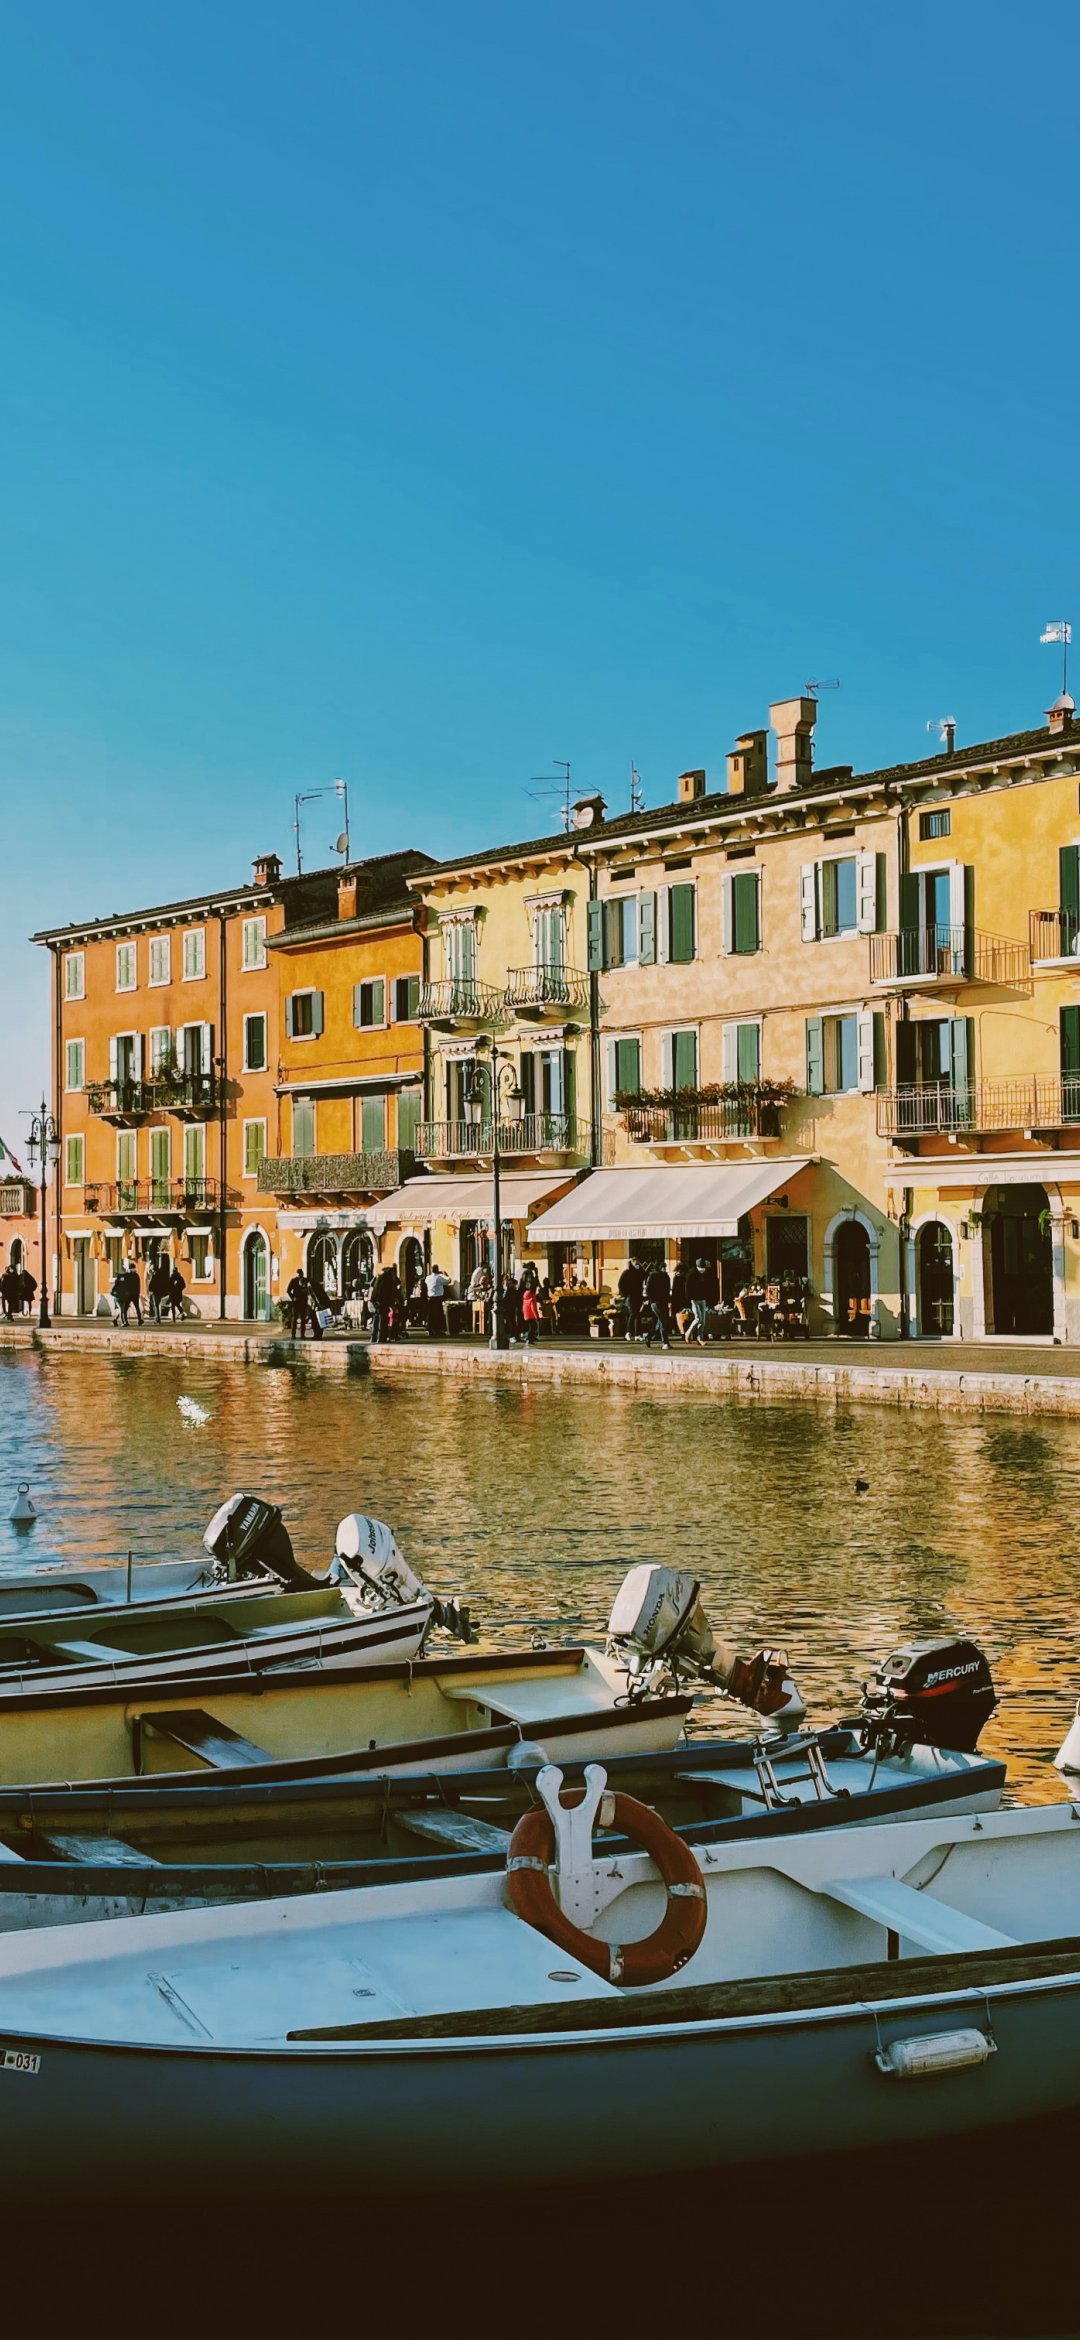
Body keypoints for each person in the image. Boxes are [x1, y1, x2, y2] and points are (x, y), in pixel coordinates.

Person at [686, 1256, 718, 1344]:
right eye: (701, 1269)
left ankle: (700, 1338)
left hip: (703, 1298)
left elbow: (708, 1285)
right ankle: (688, 1333)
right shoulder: (691, 1273)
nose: (702, 1270)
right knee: (698, 1318)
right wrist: (689, 1299)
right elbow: (687, 1287)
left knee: (703, 1320)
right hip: (694, 1299)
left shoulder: (705, 1273)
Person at [642, 1262, 672, 1350]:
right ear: (659, 1267)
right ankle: (665, 1342)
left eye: (665, 1267)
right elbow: (649, 1290)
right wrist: (651, 1300)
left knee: (661, 1321)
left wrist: (669, 1300)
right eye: (663, 1267)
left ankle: (648, 1336)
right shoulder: (653, 1276)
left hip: (664, 1302)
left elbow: (667, 1290)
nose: (664, 1268)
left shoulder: (666, 1276)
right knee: (663, 1321)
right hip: (655, 1302)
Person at [370, 1264, 399, 1345]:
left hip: (376, 1300)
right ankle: (381, 1337)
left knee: (376, 1318)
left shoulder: (379, 1278)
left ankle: (374, 1337)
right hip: (383, 1301)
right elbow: (391, 1290)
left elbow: (373, 1286)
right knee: (383, 1319)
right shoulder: (387, 1280)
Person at [617, 1260, 644, 1341]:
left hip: (638, 1295)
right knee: (633, 1313)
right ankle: (628, 1332)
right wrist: (625, 1294)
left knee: (637, 1314)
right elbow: (620, 1284)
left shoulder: (639, 1272)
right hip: (630, 1296)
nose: (637, 1264)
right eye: (635, 1263)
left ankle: (637, 1334)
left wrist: (640, 1267)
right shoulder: (627, 1272)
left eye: (638, 1263)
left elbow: (645, 1275)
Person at [425, 1263, 450, 1337]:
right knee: (438, 1315)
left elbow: (426, 1282)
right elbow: (449, 1281)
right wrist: (444, 1274)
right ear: (437, 1270)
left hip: (430, 1298)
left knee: (431, 1315)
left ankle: (430, 1329)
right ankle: (438, 1330)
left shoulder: (428, 1278)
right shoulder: (439, 1278)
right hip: (438, 1298)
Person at [148, 1255, 172, 1324]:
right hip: (161, 1292)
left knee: (156, 1306)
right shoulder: (161, 1275)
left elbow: (151, 1284)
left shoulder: (154, 1276)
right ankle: (157, 1318)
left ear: (154, 1270)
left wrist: (150, 1290)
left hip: (155, 1292)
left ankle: (157, 1318)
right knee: (158, 1305)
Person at [521, 1281, 541, 1346]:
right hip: (531, 1315)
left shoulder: (526, 1296)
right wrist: (537, 1316)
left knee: (531, 1326)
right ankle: (529, 1338)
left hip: (526, 1314)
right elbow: (533, 1308)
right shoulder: (532, 1298)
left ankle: (529, 1337)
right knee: (533, 1327)